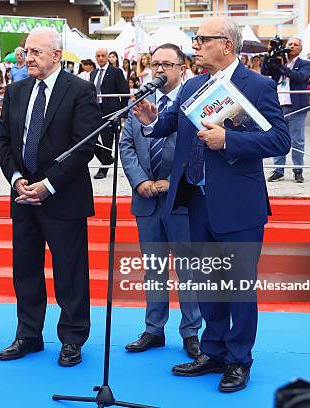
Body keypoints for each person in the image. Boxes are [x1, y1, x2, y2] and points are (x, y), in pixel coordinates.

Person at [133, 17, 290, 393]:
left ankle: (239, 360)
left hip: (238, 207)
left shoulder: (259, 85)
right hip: (195, 202)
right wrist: (152, 121)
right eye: (196, 38)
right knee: (207, 283)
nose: (196, 44)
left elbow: (280, 140)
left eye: (203, 39)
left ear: (227, 45)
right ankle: (213, 351)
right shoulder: (193, 85)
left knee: (236, 286)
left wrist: (230, 141)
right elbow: (168, 123)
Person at [0, 27, 101, 367]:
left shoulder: (80, 91)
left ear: (56, 55)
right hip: (22, 196)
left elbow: (83, 147)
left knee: (70, 271)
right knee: (25, 269)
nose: (28, 58)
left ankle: (72, 338)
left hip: (63, 197)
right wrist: (16, 179)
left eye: (36, 52)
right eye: (27, 52)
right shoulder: (15, 90)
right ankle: (28, 334)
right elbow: (3, 142)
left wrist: (48, 184)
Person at [119, 44, 202, 359]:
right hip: (147, 200)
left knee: (188, 269)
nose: (159, 69)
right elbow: (127, 143)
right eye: (155, 63)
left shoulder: (193, 100)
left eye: (167, 63)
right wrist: (140, 181)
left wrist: (174, 182)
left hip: (181, 199)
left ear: (182, 68)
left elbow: (199, 147)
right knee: (153, 269)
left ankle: (191, 331)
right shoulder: (141, 99)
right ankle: (154, 329)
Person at [261, 37, 310, 183]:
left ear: (300, 49)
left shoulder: (305, 64)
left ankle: (298, 170)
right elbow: (265, 73)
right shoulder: (277, 60)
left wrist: (282, 67)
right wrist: (269, 55)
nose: (292, 46)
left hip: (296, 108)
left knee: (297, 141)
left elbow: (300, 77)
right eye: (290, 44)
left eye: (295, 45)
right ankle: (278, 170)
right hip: (277, 107)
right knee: (277, 138)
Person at [90, 47, 130, 179]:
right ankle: (106, 159)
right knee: (91, 138)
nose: (100, 58)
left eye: (103, 55)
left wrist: (123, 111)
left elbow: (124, 91)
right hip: (95, 110)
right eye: (98, 56)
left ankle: (104, 168)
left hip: (110, 111)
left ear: (107, 57)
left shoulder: (116, 72)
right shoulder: (94, 73)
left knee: (107, 139)